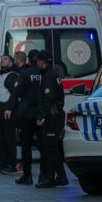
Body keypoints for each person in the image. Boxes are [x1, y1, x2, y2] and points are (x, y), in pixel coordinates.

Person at [35, 50, 66, 189]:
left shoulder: (48, 76)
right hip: (55, 115)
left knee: (50, 148)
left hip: (51, 117)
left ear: (42, 62)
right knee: (53, 148)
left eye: (38, 62)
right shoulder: (53, 74)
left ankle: (51, 177)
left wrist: (41, 116)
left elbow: (48, 99)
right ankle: (61, 176)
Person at [14, 50, 44, 185]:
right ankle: (44, 175)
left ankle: (27, 175)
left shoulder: (25, 74)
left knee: (26, 146)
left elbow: (17, 91)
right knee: (43, 147)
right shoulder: (46, 73)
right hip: (42, 114)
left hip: (27, 114)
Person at [0, 54, 19, 174]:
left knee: (9, 138)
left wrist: (10, 108)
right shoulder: (0, 75)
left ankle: (11, 164)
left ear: (11, 62)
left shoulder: (12, 76)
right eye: (1, 59)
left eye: (5, 59)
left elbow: (15, 94)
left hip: (6, 109)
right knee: (0, 138)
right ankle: (0, 163)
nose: (2, 60)